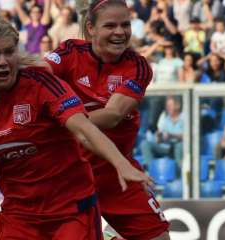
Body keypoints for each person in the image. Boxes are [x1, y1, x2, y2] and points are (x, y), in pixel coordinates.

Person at [0, 13, 151, 240]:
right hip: (19, 219)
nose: (3, 61)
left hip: (70, 213)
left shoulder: (42, 84)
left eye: (9, 52)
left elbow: (84, 130)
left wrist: (120, 163)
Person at [45, 1, 170, 239]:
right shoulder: (70, 51)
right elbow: (37, 75)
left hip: (116, 172)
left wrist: (62, 124)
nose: (120, 32)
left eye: (125, 25)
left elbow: (113, 116)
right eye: (110, 25)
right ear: (91, 28)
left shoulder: (138, 66)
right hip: (70, 175)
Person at [140, 96, 184, 168]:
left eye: (170, 106)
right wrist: (159, 136)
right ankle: (152, 170)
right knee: (145, 144)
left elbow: (188, 136)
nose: (168, 108)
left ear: (177, 106)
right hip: (165, 146)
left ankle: (179, 171)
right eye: (167, 106)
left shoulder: (184, 116)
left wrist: (172, 136)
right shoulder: (164, 116)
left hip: (179, 146)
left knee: (179, 146)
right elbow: (158, 140)